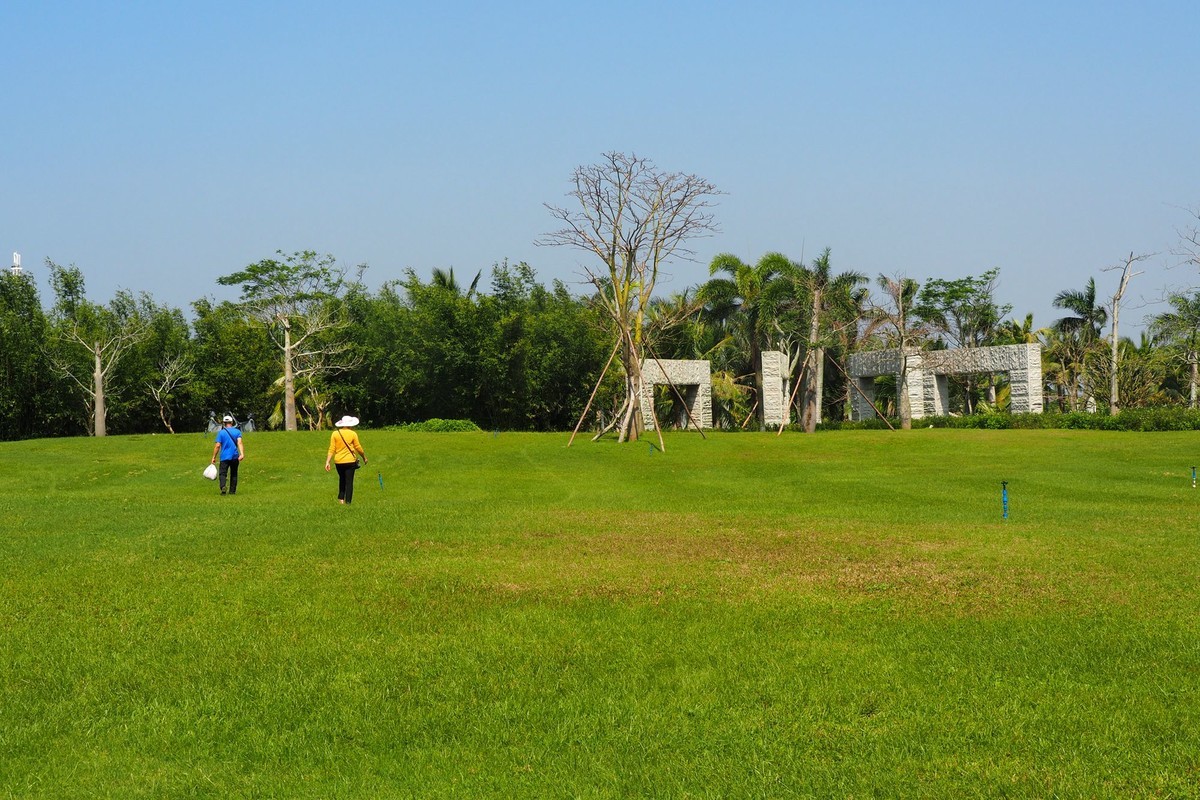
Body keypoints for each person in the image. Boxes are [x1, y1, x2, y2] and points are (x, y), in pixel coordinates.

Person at [325, 415, 367, 505]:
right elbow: (358, 447)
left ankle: (341, 499)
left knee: (342, 479)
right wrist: (364, 457)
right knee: (349, 482)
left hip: (338, 462)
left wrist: (327, 461)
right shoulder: (353, 434)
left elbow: (332, 448)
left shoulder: (335, 434)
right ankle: (348, 502)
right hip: (350, 461)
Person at [210, 414, 245, 495]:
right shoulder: (237, 432)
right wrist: (242, 454)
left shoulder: (221, 433)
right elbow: (239, 443)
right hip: (235, 456)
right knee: (234, 474)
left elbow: (217, 445)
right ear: (232, 422)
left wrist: (214, 457)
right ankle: (232, 491)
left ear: (224, 423)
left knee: (222, 473)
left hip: (224, 457)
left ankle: (223, 487)